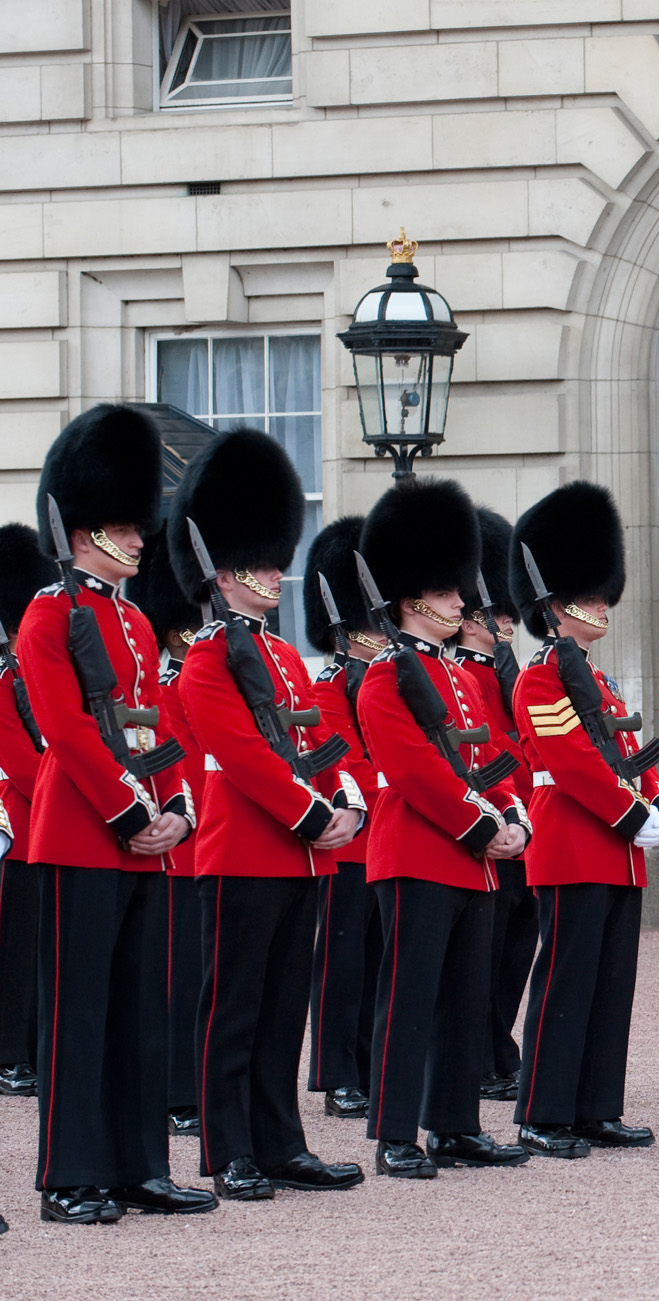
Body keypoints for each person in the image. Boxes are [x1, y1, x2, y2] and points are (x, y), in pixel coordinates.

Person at [19, 404, 213, 1223]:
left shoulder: (133, 621)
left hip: (144, 841)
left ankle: (139, 1165)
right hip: (80, 836)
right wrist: (131, 810)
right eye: (128, 528)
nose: (142, 540)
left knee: (141, 1010)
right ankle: (71, 1174)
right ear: (86, 528)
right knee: (80, 1013)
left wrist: (176, 807)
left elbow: (155, 726)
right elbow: (63, 728)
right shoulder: (46, 615)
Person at [169, 428, 366, 1200]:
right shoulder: (206, 659)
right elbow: (241, 757)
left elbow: (321, 737)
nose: (276, 576)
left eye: (277, 561)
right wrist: (315, 814)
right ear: (221, 574)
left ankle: (282, 1141)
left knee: (285, 1008)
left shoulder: (285, 659)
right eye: (259, 564)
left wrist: (343, 797)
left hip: (301, 851)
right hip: (243, 850)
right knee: (234, 1009)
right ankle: (228, 1149)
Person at [354, 477, 531, 1179]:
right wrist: (480, 825)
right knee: (409, 997)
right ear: (413, 597)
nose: (464, 600)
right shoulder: (384, 677)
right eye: (452, 590)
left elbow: (489, 752)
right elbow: (412, 770)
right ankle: (396, 1131)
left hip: (475, 856)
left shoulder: (458, 676)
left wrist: (511, 813)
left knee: (465, 996)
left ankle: (456, 1123)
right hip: (420, 854)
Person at [507, 482, 659, 1157]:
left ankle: (596, 1106)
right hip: (576, 842)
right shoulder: (541, 676)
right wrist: (635, 812)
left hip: (618, 847)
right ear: (556, 600)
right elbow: (572, 762)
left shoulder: (599, 682)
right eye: (592, 591)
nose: (604, 602)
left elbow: (630, 751)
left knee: (612, 982)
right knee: (566, 979)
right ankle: (544, 1110)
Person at [302, 516, 387, 1121]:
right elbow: (345, 762)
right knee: (342, 962)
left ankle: (373, 1063)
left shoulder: (386, 679)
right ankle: (338, 1074)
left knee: (382, 961)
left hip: (391, 844)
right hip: (352, 842)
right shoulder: (329, 686)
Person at [452, 507, 536, 1104]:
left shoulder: (510, 674)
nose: (506, 620)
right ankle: (478, 1053)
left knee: (515, 949)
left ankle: (498, 1045)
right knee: (482, 953)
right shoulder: (460, 676)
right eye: (497, 612)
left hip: (525, 828)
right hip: (488, 827)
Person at [125, 535, 204, 1137]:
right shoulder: (172, 682)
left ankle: (191, 1083)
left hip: (199, 834)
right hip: (180, 843)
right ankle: (178, 1090)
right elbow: (168, 754)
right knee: (176, 975)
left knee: (201, 973)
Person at [0, 522, 55, 1100]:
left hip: (60, 827)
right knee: (19, 951)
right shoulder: (4, 681)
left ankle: (37, 1046)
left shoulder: (46, 675)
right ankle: (11, 1052)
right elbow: (21, 765)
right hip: (22, 829)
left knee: (47, 951)